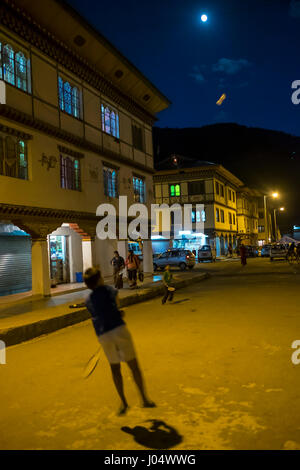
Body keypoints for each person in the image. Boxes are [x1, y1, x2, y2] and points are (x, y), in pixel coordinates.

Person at [84, 267, 155, 415]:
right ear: (98, 279)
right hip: (118, 330)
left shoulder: (88, 300)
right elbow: (116, 307)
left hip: (104, 336)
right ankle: (144, 399)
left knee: (115, 369)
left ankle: (123, 403)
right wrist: (119, 313)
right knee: (133, 366)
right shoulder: (110, 291)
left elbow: (96, 315)